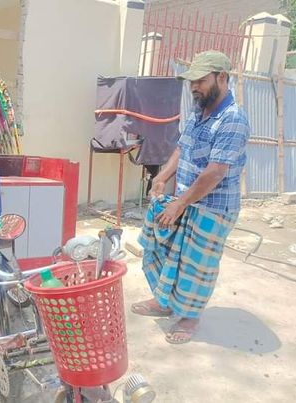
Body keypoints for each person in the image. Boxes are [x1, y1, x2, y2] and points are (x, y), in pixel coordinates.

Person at [131, 50, 250, 344]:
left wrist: (179, 204)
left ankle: (190, 317)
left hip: (212, 208)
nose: (194, 87)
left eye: (201, 80)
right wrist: (161, 177)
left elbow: (215, 172)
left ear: (222, 77)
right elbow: (182, 148)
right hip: (185, 199)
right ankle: (164, 302)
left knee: (195, 268)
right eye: (192, 81)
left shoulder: (233, 119)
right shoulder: (200, 111)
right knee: (164, 251)